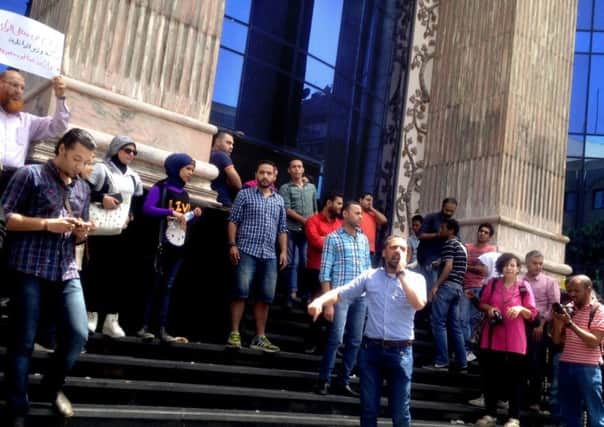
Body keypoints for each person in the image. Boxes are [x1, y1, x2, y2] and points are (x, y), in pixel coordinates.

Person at [1, 128, 96, 426]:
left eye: (86, 161)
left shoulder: (82, 188)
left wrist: (80, 233)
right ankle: (17, 406)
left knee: (79, 333)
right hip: (28, 266)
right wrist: (46, 224)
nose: (80, 165)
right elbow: (5, 217)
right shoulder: (30, 175)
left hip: (65, 269)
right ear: (61, 149)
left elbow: (74, 237)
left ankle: (51, 387)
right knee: (23, 339)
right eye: (76, 158)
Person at [308, 235, 426, 427]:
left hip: (401, 352)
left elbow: (419, 304)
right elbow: (341, 292)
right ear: (384, 252)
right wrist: (320, 301)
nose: (398, 252)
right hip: (372, 351)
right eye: (394, 247)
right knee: (368, 409)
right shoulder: (370, 276)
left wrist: (402, 275)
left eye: (403, 249)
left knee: (400, 411)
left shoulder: (416, 279)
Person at [84, 136, 144, 338]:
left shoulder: (134, 176)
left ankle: (111, 318)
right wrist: (102, 198)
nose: (131, 155)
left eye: (134, 152)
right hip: (101, 227)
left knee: (117, 274)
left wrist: (131, 215)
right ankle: (90, 314)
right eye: (127, 150)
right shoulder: (102, 169)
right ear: (117, 149)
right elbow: (84, 191)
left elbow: (135, 200)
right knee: (96, 270)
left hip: (122, 228)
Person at [138, 153, 202, 342]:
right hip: (161, 245)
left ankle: (162, 328)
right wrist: (170, 212)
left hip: (179, 246)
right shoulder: (162, 187)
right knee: (154, 285)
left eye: (192, 170)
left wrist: (192, 216)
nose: (191, 173)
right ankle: (144, 326)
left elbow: (183, 219)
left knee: (168, 287)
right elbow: (147, 208)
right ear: (176, 168)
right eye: (188, 169)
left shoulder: (185, 194)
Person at [226, 160, 287, 353]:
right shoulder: (244, 194)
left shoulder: (279, 200)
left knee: (266, 297)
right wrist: (232, 244)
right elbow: (232, 221)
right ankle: (234, 333)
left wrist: (284, 251)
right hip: (246, 249)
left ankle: (260, 337)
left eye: (269, 173)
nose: (265, 176)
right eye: (262, 172)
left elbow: (282, 229)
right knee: (240, 292)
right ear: (256, 174)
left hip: (269, 254)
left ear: (275, 176)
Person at [316, 201, 371, 396]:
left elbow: (367, 270)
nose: (360, 216)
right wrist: (328, 301)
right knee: (336, 339)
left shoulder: (364, 240)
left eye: (361, 213)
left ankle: (344, 380)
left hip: (361, 297)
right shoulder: (332, 238)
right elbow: (325, 272)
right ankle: (324, 379)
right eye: (357, 213)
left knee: (355, 340)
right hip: (339, 295)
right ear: (345, 214)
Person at [475, 253, 537, 427]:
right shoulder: (492, 284)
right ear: (501, 267)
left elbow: (532, 313)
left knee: (515, 380)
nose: (509, 268)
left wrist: (519, 308)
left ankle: (514, 417)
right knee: (490, 378)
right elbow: (482, 303)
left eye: (513, 265)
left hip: (515, 340)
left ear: (518, 268)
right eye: (506, 265)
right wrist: (490, 308)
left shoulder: (524, 287)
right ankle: (490, 415)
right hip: (492, 336)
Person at [0, 70, 70, 192]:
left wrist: (60, 98)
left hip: (13, 183)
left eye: (22, 88)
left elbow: (59, 125)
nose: (19, 91)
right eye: (14, 85)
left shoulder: (28, 121)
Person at [552, 275, 604, 427]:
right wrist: (557, 322)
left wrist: (570, 324)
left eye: (577, 291)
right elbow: (556, 340)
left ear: (588, 290)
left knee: (595, 413)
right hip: (566, 364)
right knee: (569, 413)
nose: (572, 294)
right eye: (569, 291)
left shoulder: (599, 311)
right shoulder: (569, 308)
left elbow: (594, 341)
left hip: (589, 367)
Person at [303, 192, 343, 353]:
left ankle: (329, 344)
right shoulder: (313, 220)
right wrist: (333, 242)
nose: (341, 207)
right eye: (339, 203)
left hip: (336, 272)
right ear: (329, 202)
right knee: (317, 305)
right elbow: (315, 241)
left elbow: (340, 244)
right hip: (316, 268)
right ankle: (311, 342)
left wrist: (326, 239)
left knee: (335, 308)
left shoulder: (340, 224)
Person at [426, 218, 468, 371]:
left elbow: (449, 266)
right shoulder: (462, 246)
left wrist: (436, 286)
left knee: (438, 323)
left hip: (447, 287)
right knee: (455, 327)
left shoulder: (449, 244)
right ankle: (462, 362)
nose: (440, 230)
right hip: (458, 288)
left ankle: (442, 360)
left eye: (443, 227)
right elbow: (455, 265)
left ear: (450, 230)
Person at [522, 250, 560, 412]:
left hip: (539, 325)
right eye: (535, 263)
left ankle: (535, 401)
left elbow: (555, 307)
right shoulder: (520, 280)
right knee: (520, 363)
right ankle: (519, 398)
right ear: (527, 264)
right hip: (520, 324)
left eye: (540, 264)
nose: (538, 267)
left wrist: (541, 325)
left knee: (536, 363)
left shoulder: (549, 282)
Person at [279, 159, 318, 305]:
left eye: (299, 167)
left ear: (303, 170)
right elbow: (287, 209)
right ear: (289, 170)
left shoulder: (312, 187)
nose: (297, 169)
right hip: (291, 229)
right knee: (290, 262)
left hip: (308, 231)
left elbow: (315, 209)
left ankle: (306, 294)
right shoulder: (285, 188)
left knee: (306, 261)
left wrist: (314, 225)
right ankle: (289, 294)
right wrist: (306, 221)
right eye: (294, 167)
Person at [461, 223, 496, 362]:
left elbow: (484, 271)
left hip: (481, 287)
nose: (482, 233)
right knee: (462, 319)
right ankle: (464, 349)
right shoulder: (468, 247)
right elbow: (462, 264)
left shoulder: (492, 250)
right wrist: (472, 267)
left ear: (490, 236)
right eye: (481, 231)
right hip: (466, 286)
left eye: (486, 232)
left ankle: (468, 350)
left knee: (474, 320)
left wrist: (467, 267)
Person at [416, 197, 458, 293]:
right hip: (428, 259)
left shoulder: (452, 223)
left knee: (435, 292)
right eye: (446, 210)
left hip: (441, 262)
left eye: (451, 211)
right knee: (426, 291)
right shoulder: (431, 218)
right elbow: (420, 235)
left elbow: (457, 238)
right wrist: (438, 235)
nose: (448, 213)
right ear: (442, 206)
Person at [209, 130, 242, 207]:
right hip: (222, 201)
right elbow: (238, 184)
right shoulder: (222, 156)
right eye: (228, 143)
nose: (231, 147)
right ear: (217, 142)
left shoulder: (207, 153)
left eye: (232, 144)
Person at [358, 192, 388, 265]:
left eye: (371, 201)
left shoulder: (372, 214)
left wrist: (372, 209)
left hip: (370, 249)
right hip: (358, 247)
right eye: (367, 200)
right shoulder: (357, 213)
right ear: (360, 200)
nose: (370, 202)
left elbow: (384, 220)